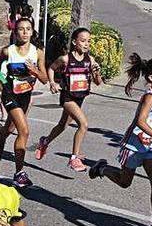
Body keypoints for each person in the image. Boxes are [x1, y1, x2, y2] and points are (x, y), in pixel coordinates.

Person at [89, 53, 152, 226]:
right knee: (124, 182)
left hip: (150, 146)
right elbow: (140, 121)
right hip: (134, 145)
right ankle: (102, 169)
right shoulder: (149, 96)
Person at [36, 27, 103, 173]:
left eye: (88, 41)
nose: (86, 44)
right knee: (83, 124)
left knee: (62, 126)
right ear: (74, 42)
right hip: (67, 97)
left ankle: (45, 141)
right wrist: (52, 82)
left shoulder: (90, 60)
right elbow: (52, 68)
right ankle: (74, 158)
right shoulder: (65, 59)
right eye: (83, 40)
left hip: (80, 98)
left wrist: (97, 73)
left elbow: (98, 82)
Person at [0, 18, 48, 188]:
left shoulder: (38, 52)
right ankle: (19, 173)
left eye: (28, 29)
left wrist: (34, 70)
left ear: (32, 32)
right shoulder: (8, 51)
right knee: (24, 131)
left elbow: (45, 78)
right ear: (15, 32)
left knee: (8, 130)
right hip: (10, 94)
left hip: (25, 95)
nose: (24, 32)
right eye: (21, 29)